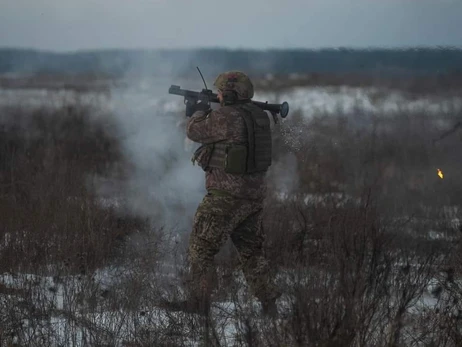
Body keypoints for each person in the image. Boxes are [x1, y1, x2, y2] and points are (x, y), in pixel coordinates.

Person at [182, 71, 280, 316]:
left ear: (227, 93)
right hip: (252, 197)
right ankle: (270, 306)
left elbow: (194, 132)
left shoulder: (225, 117)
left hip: (226, 197)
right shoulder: (259, 116)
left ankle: (199, 306)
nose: (217, 95)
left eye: (220, 92)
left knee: (201, 248)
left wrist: (197, 110)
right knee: (252, 253)